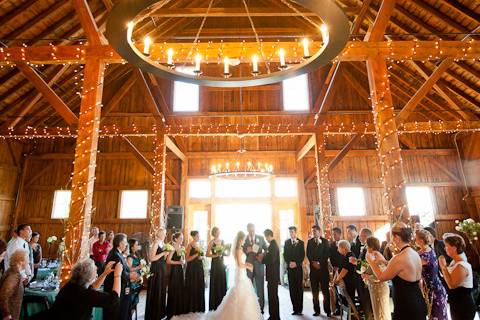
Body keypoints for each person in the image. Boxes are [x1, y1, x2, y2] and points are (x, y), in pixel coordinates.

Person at [366, 222, 427, 320]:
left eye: (391, 237)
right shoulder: (414, 253)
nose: (391, 240)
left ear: (397, 238)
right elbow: (401, 268)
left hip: (406, 306)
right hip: (418, 300)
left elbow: (382, 277)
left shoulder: (399, 258)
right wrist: (384, 261)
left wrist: (370, 262)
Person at [46, 260, 121, 320]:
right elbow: (114, 300)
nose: (97, 269)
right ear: (89, 277)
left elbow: (92, 287)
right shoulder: (84, 294)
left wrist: (105, 273)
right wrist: (117, 276)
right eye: (95, 270)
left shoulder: (72, 285)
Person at [438, 233, 476, 320]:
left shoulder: (461, 265)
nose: (444, 248)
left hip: (463, 306)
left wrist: (443, 267)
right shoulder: (454, 262)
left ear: (454, 248)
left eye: (446, 246)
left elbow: (452, 285)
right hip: (456, 303)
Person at [415, 230, 448, 320]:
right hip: (430, 288)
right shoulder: (427, 249)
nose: (415, 240)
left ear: (421, 241)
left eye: (416, 239)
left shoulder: (425, 256)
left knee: (437, 317)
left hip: (434, 290)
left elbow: (412, 265)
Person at [362, 237, 391, 320]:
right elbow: (371, 269)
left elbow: (382, 275)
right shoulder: (371, 255)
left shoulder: (376, 255)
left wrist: (368, 277)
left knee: (381, 313)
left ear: (371, 246)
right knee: (377, 313)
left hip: (379, 287)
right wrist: (364, 273)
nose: (366, 248)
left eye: (367, 246)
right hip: (374, 287)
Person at [103, 233, 131, 320]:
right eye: (125, 242)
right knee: (115, 312)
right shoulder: (115, 255)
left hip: (119, 285)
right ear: (119, 243)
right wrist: (131, 276)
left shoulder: (118, 253)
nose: (126, 245)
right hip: (114, 287)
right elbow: (120, 273)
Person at [349, 228, 374, 320]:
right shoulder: (364, 247)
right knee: (364, 302)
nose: (359, 238)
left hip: (367, 279)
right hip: (362, 277)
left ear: (366, 236)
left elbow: (368, 264)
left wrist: (356, 262)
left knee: (367, 303)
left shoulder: (371, 248)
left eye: (361, 236)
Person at [306, 225, 331, 317]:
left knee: (325, 291)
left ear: (320, 232)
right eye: (313, 231)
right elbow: (308, 254)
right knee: (314, 291)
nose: (314, 232)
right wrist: (313, 262)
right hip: (313, 270)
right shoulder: (310, 242)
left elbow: (327, 254)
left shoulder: (325, 241)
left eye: (315, 231)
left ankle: (327, 310)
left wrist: (319, 263)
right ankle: (317, 310)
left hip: (323, 269)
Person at [242, 223, 267, 313]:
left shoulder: (260, 238)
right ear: (247, 230)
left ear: (255, 229)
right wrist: (246, 250)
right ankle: (250, 307)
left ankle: (261, 308)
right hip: (249, 264)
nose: (252, 232)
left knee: (260, 286)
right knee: (249, 285)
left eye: (253, 230)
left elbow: (266, 248)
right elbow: (241, 249)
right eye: (250, 230)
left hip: (259, 265)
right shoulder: (244, 239)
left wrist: (262, 255)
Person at [145, 228, 169, 320]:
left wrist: (166, 254)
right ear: (159, 234)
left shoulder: (162, 244)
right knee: (156, 289)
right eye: (164, 233)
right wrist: (163, 253)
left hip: (162, 268)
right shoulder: (155, 243)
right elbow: (151, 258)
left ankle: (160, 312)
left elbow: (163, 257)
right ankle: (154, 313)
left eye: (165, 234)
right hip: (156, 269)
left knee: (161, 290)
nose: (165, 235)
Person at [0, 250, 28, 320]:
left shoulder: (13, 272)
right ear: (20, 261)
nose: (28, 262)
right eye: (27, 259)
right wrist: (6, 314)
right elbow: (4, 296)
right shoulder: (14, 275)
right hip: (10, 314)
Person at [283, 226, 305, 316]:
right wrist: (289, 263)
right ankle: (295, 309)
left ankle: (300, 309)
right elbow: (285, 254)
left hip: (298, 269)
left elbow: (302, 255)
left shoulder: (301, 243)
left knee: (299, 288)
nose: (291, 233)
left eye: (292, 232)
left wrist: (296, 263)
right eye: (290, 232)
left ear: (296, 232)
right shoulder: (287, 242)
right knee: (292, 289)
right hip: (290, 269)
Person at [206, 227, 227, 311]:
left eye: (219, 231)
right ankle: (215, 304)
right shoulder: (211, 242)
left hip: (221, 263)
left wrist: (226, 253)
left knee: (221, 280)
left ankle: (223, 302)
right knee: (215, 281)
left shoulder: (222, 241)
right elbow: (207, 254)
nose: (219, 233)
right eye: (217, 232)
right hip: (215, 263)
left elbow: (225, 253)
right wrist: (214, 255)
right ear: (214, 233)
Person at [186, 231, 206, 313]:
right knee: (193, 285)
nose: (199, 237)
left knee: (199, 285)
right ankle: (192, 306)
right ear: (193, 236)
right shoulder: (190, 245)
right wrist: (196, 255)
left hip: (199, 267)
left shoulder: (198, 245)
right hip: (192, 269)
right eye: (197, 236)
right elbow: (187, 259)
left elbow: (200, 256)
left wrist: (201, 257)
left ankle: (199, 306)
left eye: (199, 235)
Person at [167, 232, 186, 319]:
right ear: (176, 239)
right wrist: (179, 262)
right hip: (174, 271)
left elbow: (183, 259)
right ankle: (172, 311)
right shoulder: (173, 248)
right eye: (181, 238)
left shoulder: (182, 248)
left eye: (182, 238)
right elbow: (168, 261)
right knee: (174, 289)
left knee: (180, 288)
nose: (182, 239)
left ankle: (179, 309)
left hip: (180, 270)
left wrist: (183, 261)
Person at [263, 229, 280, 320]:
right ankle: (273, 315)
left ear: (269, 235)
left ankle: (275, 316)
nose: (266, 239)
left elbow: (271, 260)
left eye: (266, 237)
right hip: (272, 275)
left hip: (273, 275)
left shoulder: (273, 245)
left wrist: (262, 259)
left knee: (273, 296)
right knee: (272, 296)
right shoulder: (272, 245)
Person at [127, 238, 143, 310]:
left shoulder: (137, 254)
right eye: (136, 245)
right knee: (131, 301)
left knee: (135, 302)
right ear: (132, 247)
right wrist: (139, 267)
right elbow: (129, 269)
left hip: (137, 280)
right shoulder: (130, 257)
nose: (138, 246)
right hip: (132, 280)